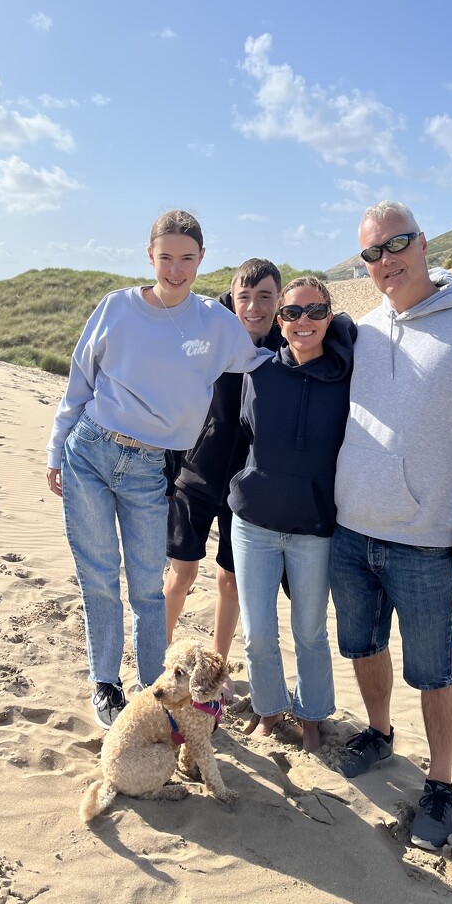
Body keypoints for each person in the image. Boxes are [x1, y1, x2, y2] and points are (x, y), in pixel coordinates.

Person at [329, 201, 452, 849]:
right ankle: (379, 734)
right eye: (372, 253)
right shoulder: (362, 329)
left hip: (424, 541)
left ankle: (438, 783)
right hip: (351, 533)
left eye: (397, 244)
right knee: (362, 646)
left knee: (434, 668)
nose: (386, 261)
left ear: (423, 242)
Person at [46, 210, 271, 730]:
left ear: (200, 260)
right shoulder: (116, 308)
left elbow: (263, 361)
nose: (175, 269)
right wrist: (56, 449)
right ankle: (105, 684)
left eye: (186, 258)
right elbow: (80, 382)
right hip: (91, 452)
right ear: (150, 256)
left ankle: (151, 695)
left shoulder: (216, 323)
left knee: (148, 589)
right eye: (166, 257)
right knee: (99, 578)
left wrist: (329, 333)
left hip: (150, 467)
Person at [229, 277, 356, 752]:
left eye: (315, 311)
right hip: (254, 523)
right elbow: (245, 430)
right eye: (292, 313)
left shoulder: (348, 376)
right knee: (258, 632)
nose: (303, 322)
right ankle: (267, 710)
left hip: (314, 528)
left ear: (330, 316)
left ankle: (312, 717)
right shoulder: (258, 372)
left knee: (309, 631)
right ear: (279, 320)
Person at [163, 259, 282, 679]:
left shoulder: (286, 351)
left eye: (264, 296)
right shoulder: (209, 340)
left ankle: (214, 669)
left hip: (246, 489)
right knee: (182, 574)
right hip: (194, 477)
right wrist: (168, 471)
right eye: (244, 297)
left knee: (230, 580)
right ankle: (157, 656)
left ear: (278, 300)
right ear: (232, 301)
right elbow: (173, 399)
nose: (253, 307)